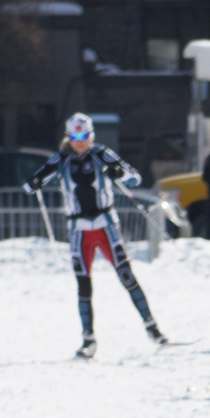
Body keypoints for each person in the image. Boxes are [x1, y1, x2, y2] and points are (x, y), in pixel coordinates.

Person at [25, 113, 166, 358]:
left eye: (84, 136)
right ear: (68, 138)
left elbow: (135, 177)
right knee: (83, 285)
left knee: (126, 276)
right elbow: (30, 185)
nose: (80, 142)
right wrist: (34, 181)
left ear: (91, 135)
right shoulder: (61, 159)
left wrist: (117, 172)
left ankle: (152, 328)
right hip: (79, 230)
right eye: (74, 137)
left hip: (106, 225)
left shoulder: (101, 154)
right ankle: (88, 340)